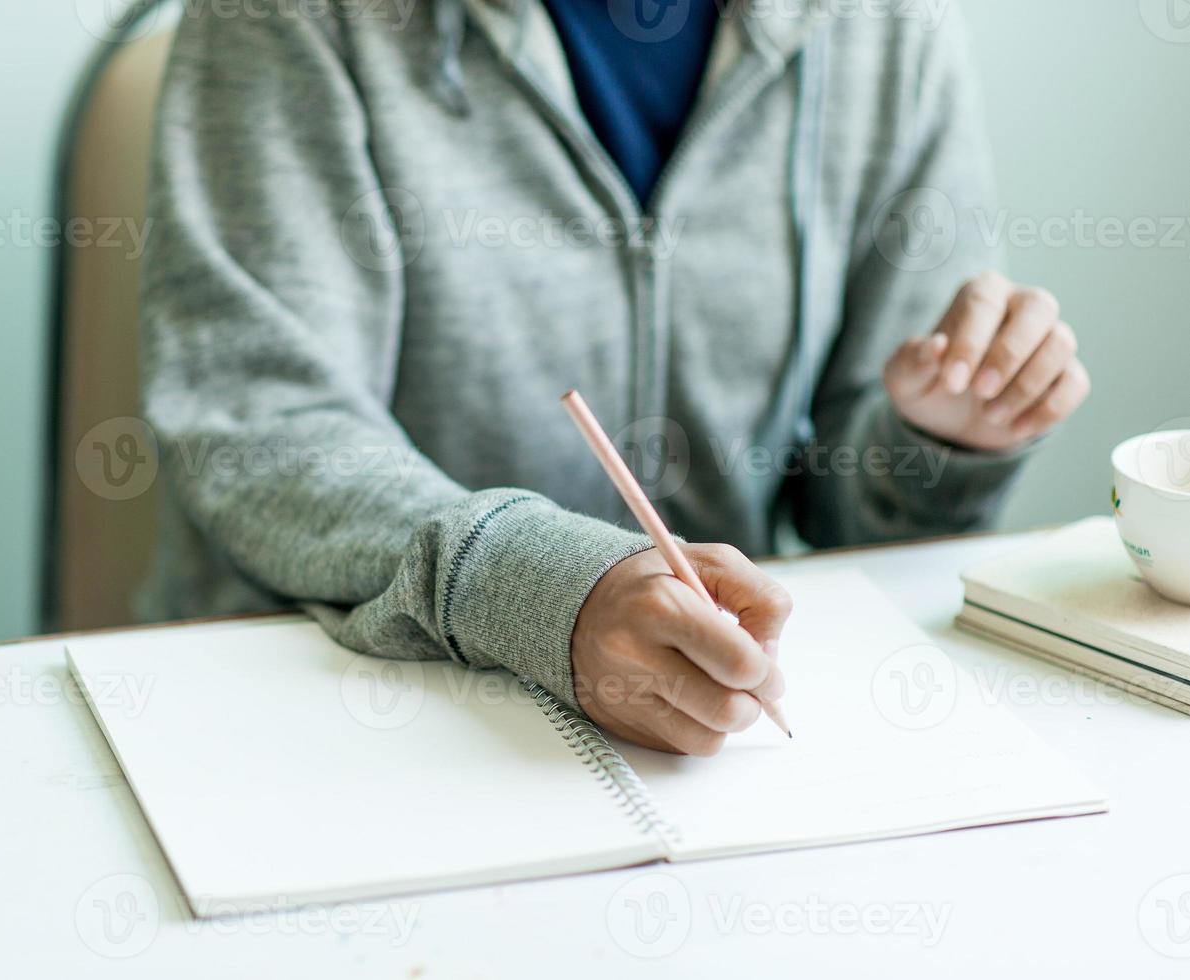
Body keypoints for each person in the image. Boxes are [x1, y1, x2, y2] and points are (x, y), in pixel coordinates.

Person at [136, 0, 1090, 755]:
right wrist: (550, 588)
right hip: (328, 712)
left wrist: (935, 439)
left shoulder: (887, 29)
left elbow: (853, 517)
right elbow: (263, 426)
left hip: (711, 735)